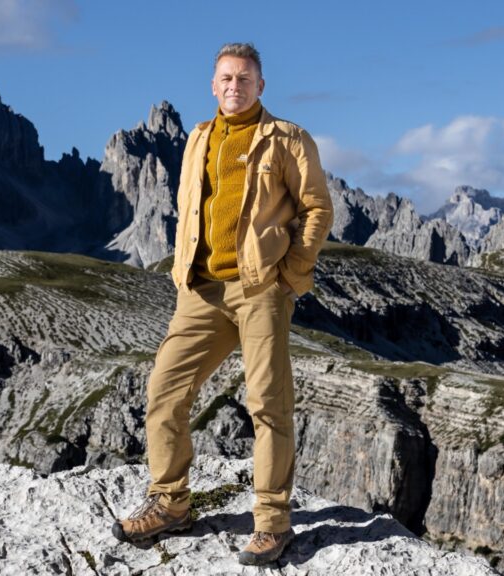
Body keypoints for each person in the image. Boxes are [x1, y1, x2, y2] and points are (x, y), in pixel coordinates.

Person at [112, 42, 333, 566]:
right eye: (226, 79)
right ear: (213, 86)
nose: (235, 86)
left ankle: (272, 525)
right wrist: (182, 274)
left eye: (245, 78)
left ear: (261, 86)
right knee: (164, 389)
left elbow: (318, 208)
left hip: (261, 290)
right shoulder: (198, 139)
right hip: (201, 289)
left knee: (268, 405)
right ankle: (170, 504)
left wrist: (289, 274)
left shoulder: (288, 139)